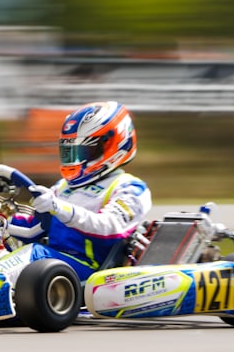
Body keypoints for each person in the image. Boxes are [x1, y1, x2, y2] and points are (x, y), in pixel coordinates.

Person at [10, 101, 152, 280]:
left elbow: (110, 227)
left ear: (113, 144)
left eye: (85, 151)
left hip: (92, 271)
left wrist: (60, 208)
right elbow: (34, 227)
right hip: (50, 264)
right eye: (70, 151)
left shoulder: (131, 188)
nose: (76, 159)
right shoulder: (63, 187)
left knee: (34, 255)